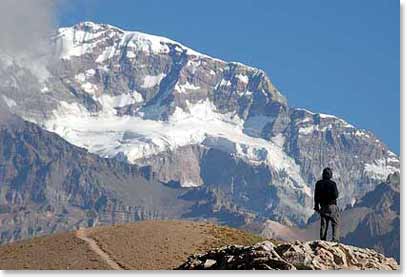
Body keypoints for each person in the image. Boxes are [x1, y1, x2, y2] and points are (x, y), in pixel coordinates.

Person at [314, 167, 340, 242]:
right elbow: (336, 195)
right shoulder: (333, 184)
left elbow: (316, 196)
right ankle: (335, 239)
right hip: (332, 206)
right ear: (330, 175)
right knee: (335, 222)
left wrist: (316, 206)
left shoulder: (318, 184)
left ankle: (323, 240)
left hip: (323, 206)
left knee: (324, 224)